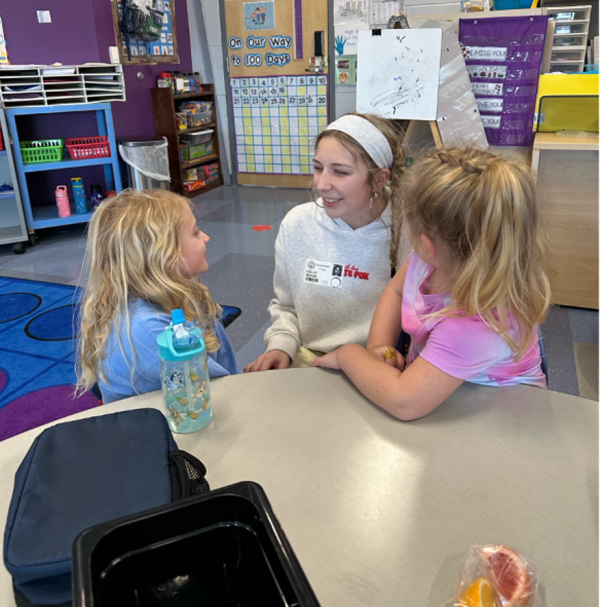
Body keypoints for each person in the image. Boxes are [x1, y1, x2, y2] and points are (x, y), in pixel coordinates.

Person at [314, 147, 551, 420]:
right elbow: (396, 290)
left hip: (498, 421)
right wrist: (378, 347)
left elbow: (403, 403)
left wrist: (349, 354)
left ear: (428, 243)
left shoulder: (477, 324)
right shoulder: (427, 260)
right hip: (438, 390)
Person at [244, 112, 406, 372]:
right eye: (318, 167)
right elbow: (286, 306)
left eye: (340, 172)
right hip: (312, 361)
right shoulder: (297, 224)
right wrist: (280, 345)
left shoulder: (409, 231)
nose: (321, 183)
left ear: (379, 179)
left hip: (380, 367)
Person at [76, 189, 239, 403]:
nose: (206, 237)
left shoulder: (181, 294)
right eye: (196, 232)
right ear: (165, 254)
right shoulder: (149, 332)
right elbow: (213, 396)